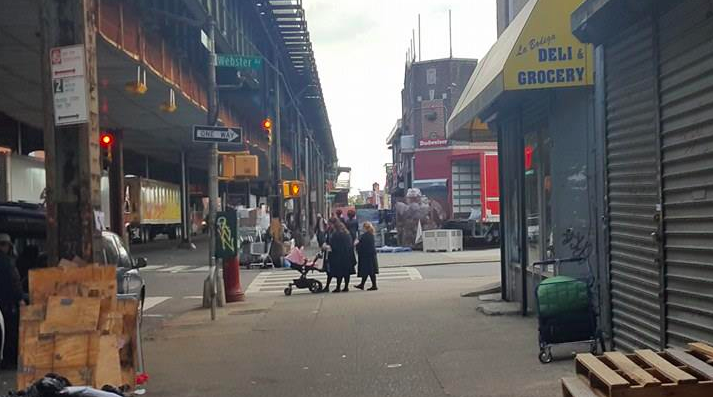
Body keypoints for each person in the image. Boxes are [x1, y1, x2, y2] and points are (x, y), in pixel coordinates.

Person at [0, 233, 23, 369]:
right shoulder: (6, 262)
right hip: (7, 304)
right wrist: (19, 298)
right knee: (10, 332)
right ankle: (9, 359)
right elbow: (14, 282)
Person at [326, 219, 356, 292]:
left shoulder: (336, 234)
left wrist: (328, 247)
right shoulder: (347, 234)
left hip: (339, 256)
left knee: (339, 272)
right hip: (348, 256)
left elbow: (333, 246)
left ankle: (338, 287)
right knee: (346, 273)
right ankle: (346, 286)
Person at [355, 222, 379, 291]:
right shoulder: (371, 234)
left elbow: (361, 244)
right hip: (371, 255)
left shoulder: (365, 236)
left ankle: (373, 285)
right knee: (370, 271)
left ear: (365, 228)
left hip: (366, 255)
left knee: (368, 270)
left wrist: (357, 245)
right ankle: (363, 284)